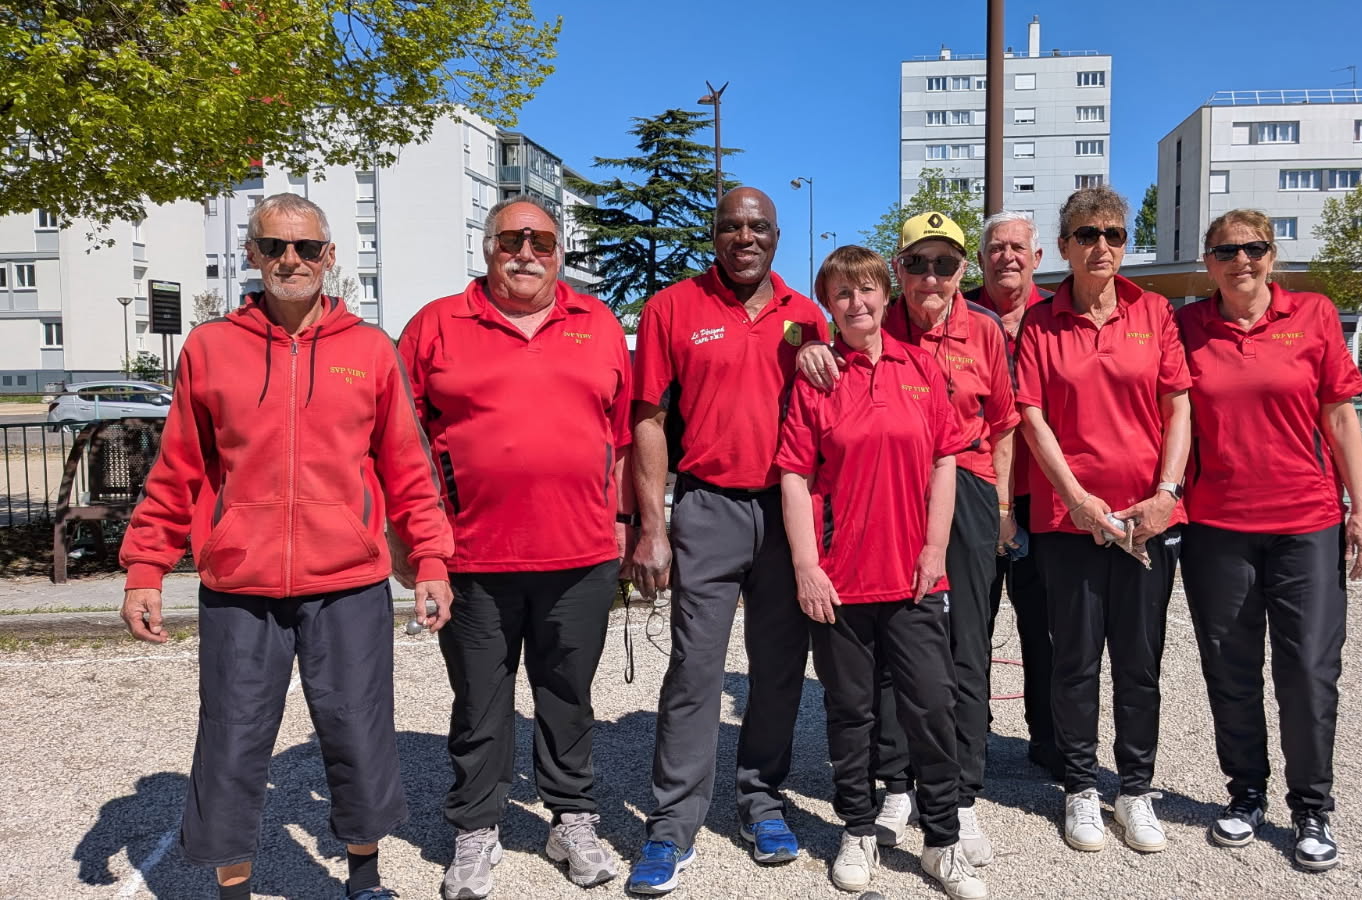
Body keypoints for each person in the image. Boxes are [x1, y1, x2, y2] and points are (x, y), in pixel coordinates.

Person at [118, 193, 454, 900]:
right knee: (233, 742)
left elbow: (406, 466)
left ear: (330, 256)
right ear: (252, 255)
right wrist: (145, 566)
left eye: (305, 248)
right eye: (275, 247)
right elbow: (177, 466)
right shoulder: (210, 348)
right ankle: (234, 888)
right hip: (241, 586)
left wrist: (429, 558)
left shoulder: (369, 350)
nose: (290, 260)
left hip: (350, 582)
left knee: (357, 737)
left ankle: (364, 879)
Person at [397, 197, 632, 896]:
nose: (526, 252)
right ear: (488, 246)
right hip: (473, 556)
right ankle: (476, 827)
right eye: (512, 239)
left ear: (559, 252)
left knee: (568, 694)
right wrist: (415, 548)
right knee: (479, 700)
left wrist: (623, 525)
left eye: (542, 240)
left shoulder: (598, 324)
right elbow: (400, 444)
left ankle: (571, 817)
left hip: (580, 555)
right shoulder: (436, 325)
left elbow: (620, 436)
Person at [624, 187, 831, 895]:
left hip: (786, 510)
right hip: (707, 508)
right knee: (694, 671)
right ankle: (672, 826)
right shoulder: (672, 308)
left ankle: (760, 802)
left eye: (758, 227)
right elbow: (646, 420)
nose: (745, 237)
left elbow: (834, 417)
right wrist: (651, 525)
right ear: (714, 234)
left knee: (777, 668)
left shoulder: (806, 317)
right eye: (731, 227)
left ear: (776, 236)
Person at [799, 212, 1016, 863]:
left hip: (967, 488)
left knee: (964, 647)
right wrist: (799, 343)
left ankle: (962, 795)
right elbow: (808, 328)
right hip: (886, 490)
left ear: (961, 272)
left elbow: (1004, 421)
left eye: (944, 263)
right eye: (917, 263)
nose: (930, 275)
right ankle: (897, 781)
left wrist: (1002, 504)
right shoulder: (878, 322)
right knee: (892, 635)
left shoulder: (984, 330)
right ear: (897, 272)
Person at [1176, 209, 1362, 872]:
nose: (1242, 261)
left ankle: (1312, 808)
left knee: (1310, 673)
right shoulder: (1186, 327)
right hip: (1217, 529)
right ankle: (1245, 795)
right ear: (1209, 261)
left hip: (1306, 524)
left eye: (1254, 248)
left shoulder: (1314, 314)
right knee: (1231, 672)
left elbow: (1342, 421)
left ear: (1271, 254)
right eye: (1227, 251)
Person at [1014, 187, 1191, 855]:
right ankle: (1082, 788)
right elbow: (1032, 419)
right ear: (1063, 246)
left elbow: (1178, 408)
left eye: (1114, 234)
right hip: (1073, 522)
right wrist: (1079, 499)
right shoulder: (1042, 323)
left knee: (1140, 663)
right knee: (1076, 661)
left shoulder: (1155, 313)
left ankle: (1136, 790)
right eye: (1087, 234)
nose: (1102, 246)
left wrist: (1166, 493)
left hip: (1148, 519)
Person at [964, 210, 1059, 780]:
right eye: (996, 247)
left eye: (1018, 247)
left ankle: (1049, 741)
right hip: (977, 497)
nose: (1007, 256)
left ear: (1037, 258)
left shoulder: (1057, 316)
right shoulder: (960, 311)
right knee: (969, 629)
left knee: (1047, 629)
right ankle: (964, 743)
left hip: (1046, 498)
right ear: (981, 259)